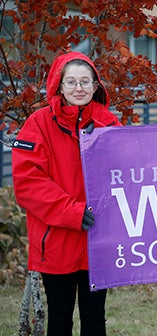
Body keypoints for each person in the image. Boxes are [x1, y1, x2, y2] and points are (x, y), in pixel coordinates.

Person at [12, 52, 122, 336]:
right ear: (59, 86)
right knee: (60, 320)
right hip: (57, 238)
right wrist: (72, 212)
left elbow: (128, 173)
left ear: (96, 86)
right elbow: (28, 183)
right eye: (71, 81)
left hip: (98, 239)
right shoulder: (37, 124)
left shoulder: (110, 125)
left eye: (85, 82)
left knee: (95, 319)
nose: (78, 88)